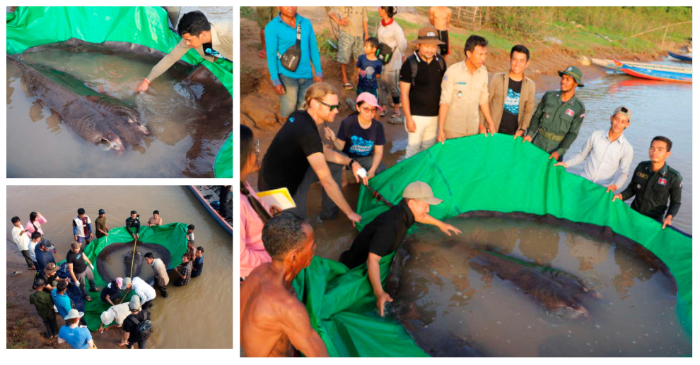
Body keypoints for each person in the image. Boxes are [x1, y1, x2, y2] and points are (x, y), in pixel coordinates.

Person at [339, 181, 461, 317]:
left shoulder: (403, 211)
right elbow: (372, 261)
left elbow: (421, 216)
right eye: (426, 205)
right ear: (411, 204)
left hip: (375, 253)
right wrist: (379, 293)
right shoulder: (391, 226)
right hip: (356, 266)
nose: (428, 210)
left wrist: (440, 224)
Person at [259, 83, 365, 222]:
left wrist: (352, 162)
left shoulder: (299, 115)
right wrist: (350, 212)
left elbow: (321, 151)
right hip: (279, 191)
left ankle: (330, 214)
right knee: (297, 230)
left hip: (290, 173)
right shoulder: (308, 133)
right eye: (332, 107)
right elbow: (326, 181)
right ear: (315, 103)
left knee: (339, 161)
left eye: (337, 106)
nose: (336, 111)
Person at [240, 212, 329, 357]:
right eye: (312, 246)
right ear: (294, 256)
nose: (315, 248)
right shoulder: (288, 307)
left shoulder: (258, 272)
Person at [136, 10, 232, 92]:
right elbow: (171, 58)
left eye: (189, 40)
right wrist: (147, 81)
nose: (186, 43)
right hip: (222, 56)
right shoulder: (192, 37)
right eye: (185, 39)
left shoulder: (230, 33)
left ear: (202, 35)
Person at [555, 106, 634, 192]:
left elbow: (624, 173)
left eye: (623, 122)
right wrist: (565, 164)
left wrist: (615, 186)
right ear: (611, 118)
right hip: (583, 182)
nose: (618, 124)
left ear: (627, 124)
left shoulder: (627, 149)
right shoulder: (596, 135)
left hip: (602, 190)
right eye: (616, 119)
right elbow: (582, 155)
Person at [265, 6, 323, 119]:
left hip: (307, 75)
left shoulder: (306, 23)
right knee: (289, 110)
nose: (291, 7)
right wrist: (275, 80)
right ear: (278, 6)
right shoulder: (272, 27)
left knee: (304, 109)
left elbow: (313, 49)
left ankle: (299, 133)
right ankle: (289, 133)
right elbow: (271, 56)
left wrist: (318, 71)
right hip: (286, 76)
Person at [613, 136, 683, 229]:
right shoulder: (641, 167)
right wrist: (621, 196)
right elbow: (632, 189)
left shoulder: (674, 177)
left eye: (660, 149)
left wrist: (669, 217)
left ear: (668, 154)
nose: (654, 152)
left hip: (653, 223)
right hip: (632, 216)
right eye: (652, 148)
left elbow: (675, 202)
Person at [437, 35, 496, 142]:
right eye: (480, 54)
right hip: (453, 131)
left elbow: (483, 100)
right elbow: (444, 102)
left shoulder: (483, 72)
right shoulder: (452, 72)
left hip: (472, 131)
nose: (483, 58)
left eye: (485, 54)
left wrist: (490, 123)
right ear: (469, 53)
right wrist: (440, 129)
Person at [400, 26, 447, 158]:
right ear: (419, 45)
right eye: (426, 46)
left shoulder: (441, 62)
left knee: (428, 151)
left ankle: (423, 178)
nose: (430, 50)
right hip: (415, 116)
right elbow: (404, 93)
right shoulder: (410, 64)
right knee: (413, 150)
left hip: (433, 116)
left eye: (433, 46)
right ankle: (409, 178)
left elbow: (444, 89)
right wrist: (409, 118)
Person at [524, 66, 586, 161]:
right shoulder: (549, 96)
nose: (563, 81)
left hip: (555, 150)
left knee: (548, 176)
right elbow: (536, 116)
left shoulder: (578, 108)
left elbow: (572, 134)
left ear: (576, 83)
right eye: (563, 78)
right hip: (537, 143)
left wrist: (559, 151)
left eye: (567, 79)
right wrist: (530, 134)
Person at [325, 92, 387, 178]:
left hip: (365, 158)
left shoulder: (378, 126)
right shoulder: (347, 123)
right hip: (347, 157)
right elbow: (340, 147)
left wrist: (372, 171)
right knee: (336, 163)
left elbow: (378, 152)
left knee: (382, 170)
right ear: (358, 108)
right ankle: (344, 183)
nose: (370, 113)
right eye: (366, 109)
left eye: (373, 110)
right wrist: (334, 139)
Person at [240, 125, 274, 279]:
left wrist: (270, 210)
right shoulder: (239, 203)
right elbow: (241, 259)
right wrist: (275, 260)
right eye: (254, 149)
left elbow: (255, 204)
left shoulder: (244, 185)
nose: (258, 152)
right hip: (256, 274)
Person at [483, 45, 536, 137]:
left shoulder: (530, 86)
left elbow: (528, 111)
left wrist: (522, 129)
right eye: (515, 60)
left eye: (521, 61)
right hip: (492, 131)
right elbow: (484, 102)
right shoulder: (497, 78)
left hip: (513, 136)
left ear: (527, 63)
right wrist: (482, 125)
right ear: (510, 60)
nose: (517, 64)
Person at [377, 6, 407, 121]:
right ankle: (383, 107)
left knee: (393, 85)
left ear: (385, 10)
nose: (378, 9)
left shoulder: (396, 28)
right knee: (382, 84)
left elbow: (403, 44)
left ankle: (396, 110)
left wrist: (397, 55)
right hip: (382, 59)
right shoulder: (381, 23)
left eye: (380, 8)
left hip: (393, 62)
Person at [328, 7, 369, 89]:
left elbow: (364, 18)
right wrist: (339, 22)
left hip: (359, 34)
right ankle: (345, 79)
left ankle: (358, 78)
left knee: (359, 57)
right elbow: (330, 12)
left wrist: (366, 34)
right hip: (346, 33)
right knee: (344, 57)